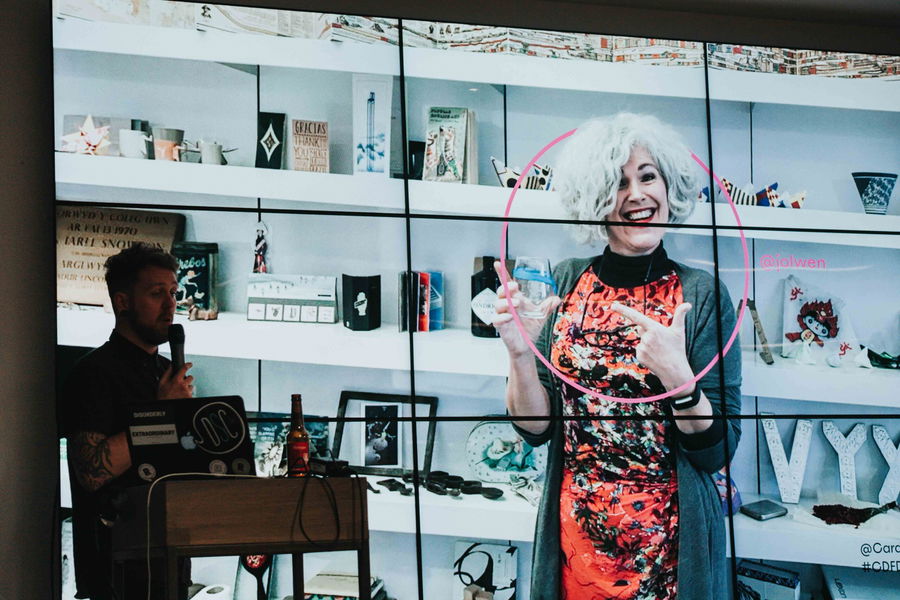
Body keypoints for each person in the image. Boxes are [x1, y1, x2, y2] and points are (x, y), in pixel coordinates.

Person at [493, 113, 741, 600]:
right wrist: (520, 354)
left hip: (671, 545)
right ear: (595, 201)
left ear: (670, 186)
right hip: (576, 541)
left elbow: (718, 451)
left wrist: (680, 382)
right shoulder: (565, 281)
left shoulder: (703, 294)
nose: (637, 194)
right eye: (617, 183)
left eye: (648, 176)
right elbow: (533, 430)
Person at [59, 242, 195, 600]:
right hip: (116, 567)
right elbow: (91, 472)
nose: (171, 305)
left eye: (173, 293)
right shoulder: (94, 374)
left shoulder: (166, 373)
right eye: (156, 294)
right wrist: (163, 413)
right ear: (122, 302)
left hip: (168, 557)